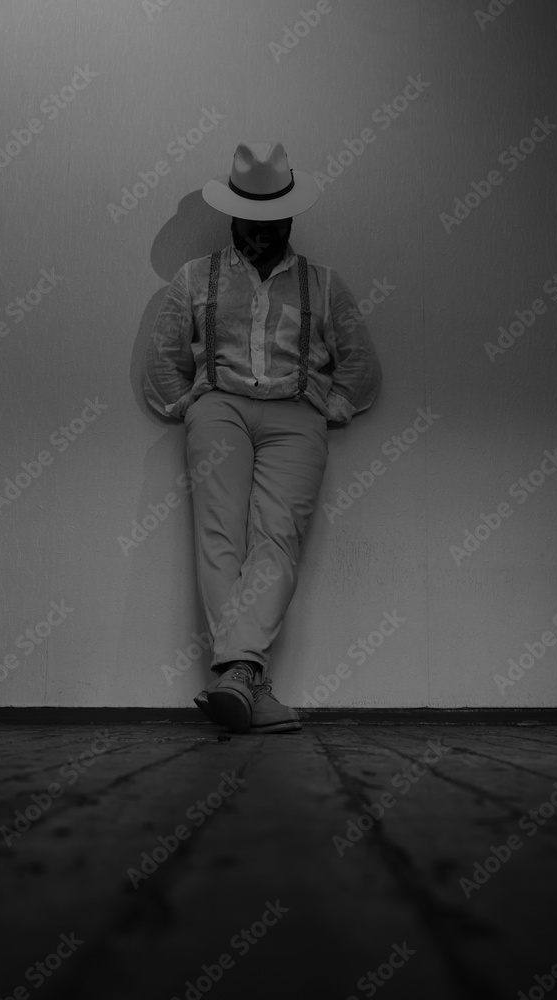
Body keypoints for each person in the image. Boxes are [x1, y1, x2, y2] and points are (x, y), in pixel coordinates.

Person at [143, 140, 383, 734]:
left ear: (289, 219)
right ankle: (250, 679)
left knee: (277, 538)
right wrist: (187, 402)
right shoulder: (193, 277)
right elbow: (163, 356)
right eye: (247, 225)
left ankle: (239, 680)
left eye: (268, 226)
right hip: (219, 407)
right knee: (219, 532)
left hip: (296, 415)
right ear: (232, 217)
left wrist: (331, 405)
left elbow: (362, 364)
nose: (256, 237)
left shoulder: (324, 284)